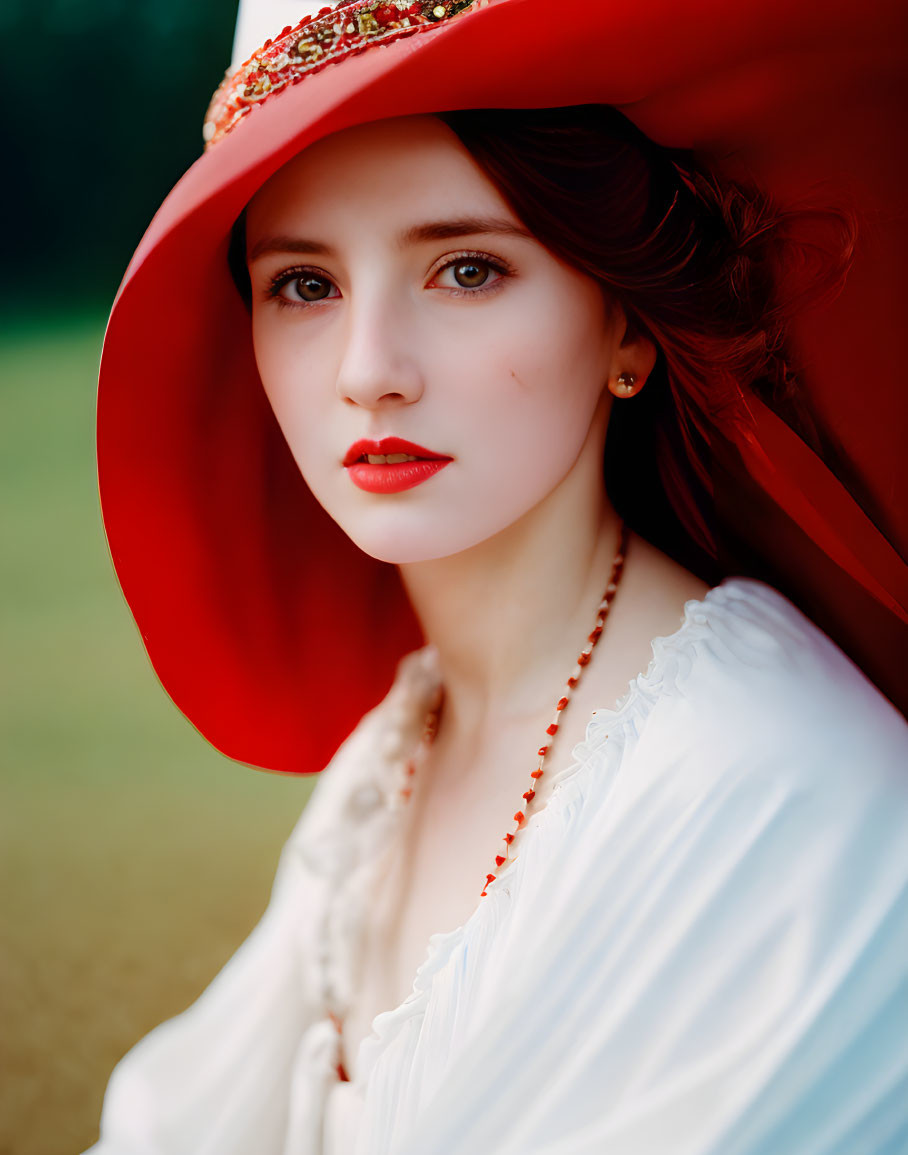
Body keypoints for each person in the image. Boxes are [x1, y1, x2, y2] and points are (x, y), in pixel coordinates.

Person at [87, 1, 908, 1152]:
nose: (370, 372)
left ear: (627, 327)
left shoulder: (779, 798)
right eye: (303, 286)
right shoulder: (397, 756)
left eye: (466, 270)